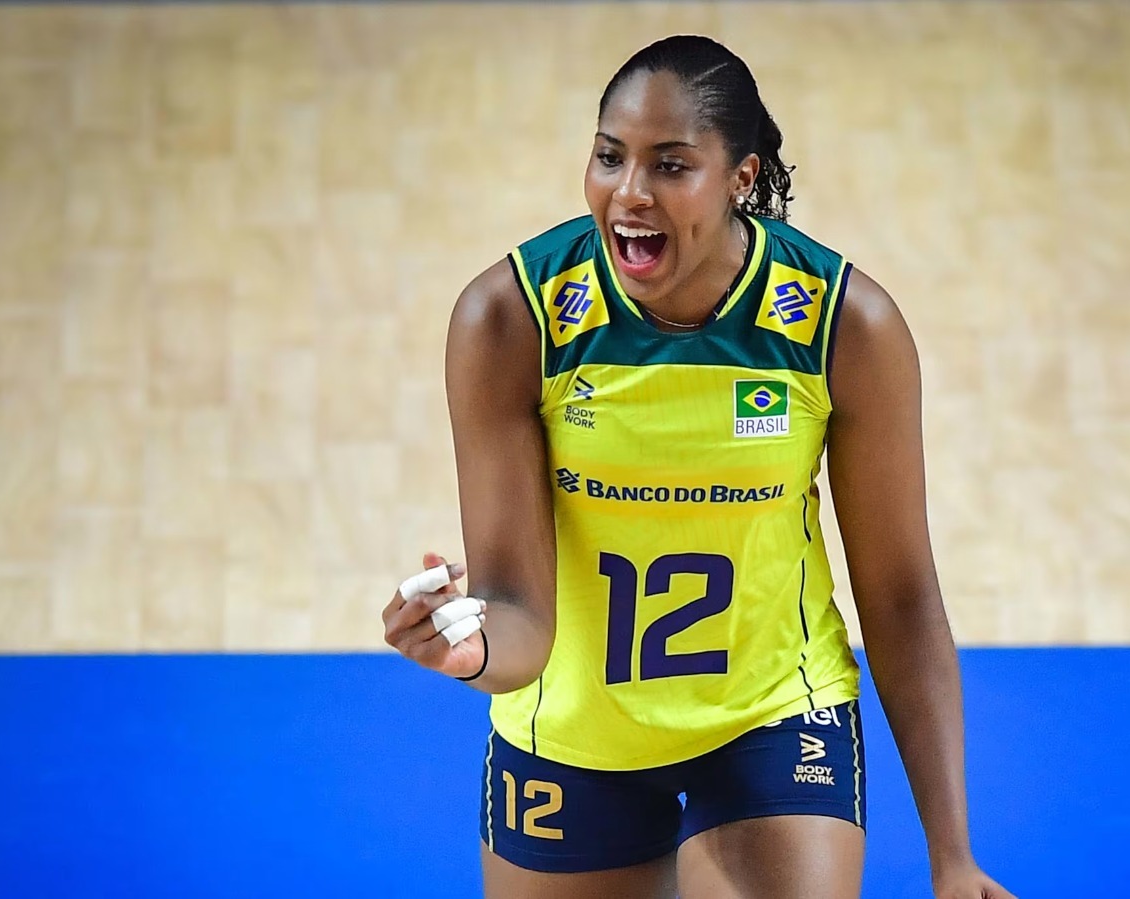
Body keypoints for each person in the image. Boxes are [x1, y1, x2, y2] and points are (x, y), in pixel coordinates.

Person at [381, 34, 1015, 899]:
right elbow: (520, 611)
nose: (628, 193)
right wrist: (474, 648)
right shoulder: (512, 318)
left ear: (741, 178)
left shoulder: (842, 326)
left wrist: (952, 855)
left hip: (772, 715)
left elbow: (902, 596)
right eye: (610, 156)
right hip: (573, 733)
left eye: (670, 165)